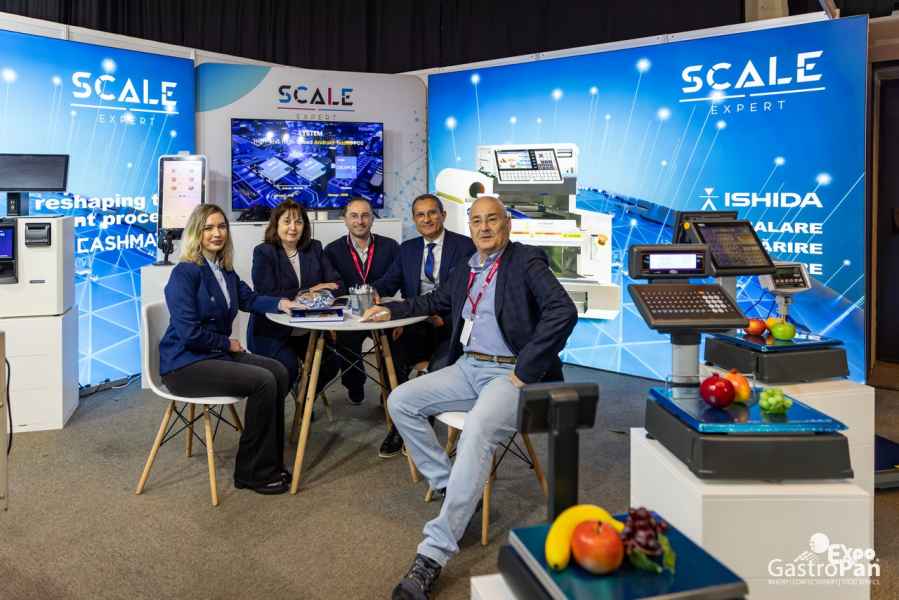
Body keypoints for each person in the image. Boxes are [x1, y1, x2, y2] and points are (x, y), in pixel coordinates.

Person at [361, 196, 578, 600]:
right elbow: (434, 301)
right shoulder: (467, 267)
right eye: (477, 221)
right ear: (470, 226)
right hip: (469, 367)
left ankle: (433, 553)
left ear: (506, 224)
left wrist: (525, 369)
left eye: (492, 219)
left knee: (476, 428)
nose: (484, 227)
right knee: (401, 401)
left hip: (511, 373)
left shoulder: (526, 261)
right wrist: (391, 310)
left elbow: (563, 311)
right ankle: (450, 485)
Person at [159, 204, 301, 495]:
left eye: (221, 227)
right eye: (209, 228)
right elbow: (189, 334)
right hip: (184, 364)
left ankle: (269, 461)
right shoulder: (185, 273)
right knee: (264, 381)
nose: (217, 233)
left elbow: (250, 299)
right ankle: (251, 473)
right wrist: (226, 343)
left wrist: (281, 303)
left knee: (279, 370)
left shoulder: (224, 270)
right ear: (196, 233)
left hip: (212, 355)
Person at [247, 200, 342, 422]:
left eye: (298, 222)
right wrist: (310, 290)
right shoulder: (264, 252)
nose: (293, 227)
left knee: (332, 362)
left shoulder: (314, 248)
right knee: (287, 367)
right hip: (272, 330)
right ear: (276, 225)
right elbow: (266, 292)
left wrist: (318, 291)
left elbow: (337, 284)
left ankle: (304, 396)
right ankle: (268, 421)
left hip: (308, 329)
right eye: (287, 221)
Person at [324, 196, 404, 458]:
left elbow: (397, 279)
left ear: (372, 218)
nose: (360, 221)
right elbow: (334, 283)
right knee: (346, 346)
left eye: (365, 215)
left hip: (382, 311)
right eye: (354, 216)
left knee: (394, 347)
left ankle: (390, 394)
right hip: (350, 314)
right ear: (345, 219)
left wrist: (377, 296)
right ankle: (355, 384)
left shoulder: (390, 246)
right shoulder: (332, 250)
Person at [373, 194, 475, 374]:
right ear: (414, 219)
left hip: (450, 322)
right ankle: (397, 390)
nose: (426, 219)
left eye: (432, 213)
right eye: (420, 215)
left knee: (440, 367)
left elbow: (466, 293)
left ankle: (428, 374)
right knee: (391, 354)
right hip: (416, 319)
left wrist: (436, 315)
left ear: (443, 215)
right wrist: (371, 291)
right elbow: (388, 283)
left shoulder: (466, 246)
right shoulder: (407, 249)